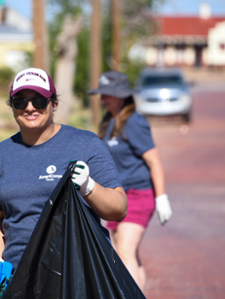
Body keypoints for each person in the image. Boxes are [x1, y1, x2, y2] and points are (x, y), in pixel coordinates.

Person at [0, 67, 127, 292]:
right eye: (20, 101)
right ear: (12, 107)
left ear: (54, 104)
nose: (30, 107)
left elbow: (119, 208)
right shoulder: (1, 154)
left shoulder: (85, 144)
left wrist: (89, 187)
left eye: (39, 100)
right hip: (19, 280)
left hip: (75, 277)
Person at [87, 70, 173, 290]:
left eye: (107, 94)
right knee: (125, 251)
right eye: (101, 94)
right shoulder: (109, 121)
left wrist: (161, 197)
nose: (103, 99)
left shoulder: (134, 122)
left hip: (138, 194)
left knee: (125, 252)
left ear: (122, 95)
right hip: (117, 196)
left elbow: (154, 161)